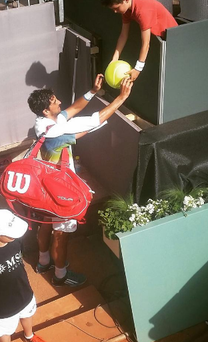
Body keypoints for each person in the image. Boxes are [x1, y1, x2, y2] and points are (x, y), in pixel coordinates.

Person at [27, 73, 133, 287]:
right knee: (61, 233)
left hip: (44, 184)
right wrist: (121, 98)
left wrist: (92, 92)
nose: (59, 101)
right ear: (47, 110)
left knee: (46, 223)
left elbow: (71, 110)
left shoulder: (43, 122)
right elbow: (96, 119)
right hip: (61, 189)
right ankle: (60, 275)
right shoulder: (57, 131)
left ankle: (43, 262)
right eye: (54, 101)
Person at [0, 209, 45, 342]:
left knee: (27, 315)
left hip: (23, 292)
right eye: (11, 233)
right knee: (4, 331)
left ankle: (29, 336)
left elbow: (20, 258)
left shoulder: (16, 242)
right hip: (2, 304)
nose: (16, 235)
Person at [100, 0, 178, 82]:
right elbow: (123, 35)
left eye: (116, 8)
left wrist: (138, 68)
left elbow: (146, 44)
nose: (115, 11)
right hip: (157, 40)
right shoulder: (126, 10)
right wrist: (114, 59)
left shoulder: (143, 12)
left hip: (171, 42)